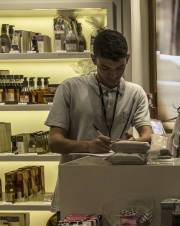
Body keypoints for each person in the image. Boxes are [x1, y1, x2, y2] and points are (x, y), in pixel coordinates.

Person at [46, 29, 152, 161]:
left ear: (128, 59)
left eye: (119, 68)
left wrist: (132, 144)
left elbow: (147, 135)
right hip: (77, 176)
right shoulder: (70, 88)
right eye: (105, 68)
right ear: (93, 59)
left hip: (119, 175)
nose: (113, 75)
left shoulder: (136, 93)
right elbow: (54, 142)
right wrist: (88, 146)